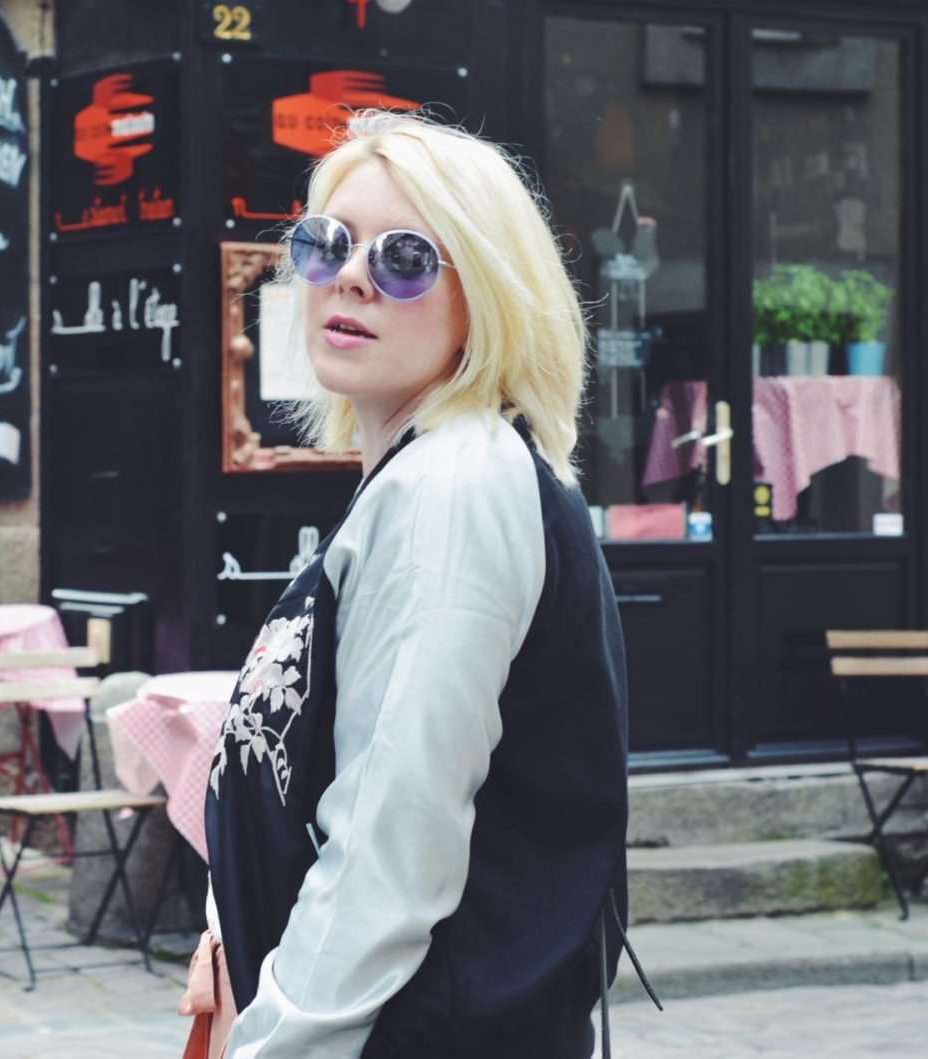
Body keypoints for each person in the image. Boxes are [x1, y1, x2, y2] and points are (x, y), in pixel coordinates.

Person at [182, 111, 651, 1059]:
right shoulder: (428, 473)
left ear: (489, 296)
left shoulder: (453, 486)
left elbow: (389, 844)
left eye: (405, 258)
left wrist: (276, 1043)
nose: (351, 276)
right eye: (327, 243)